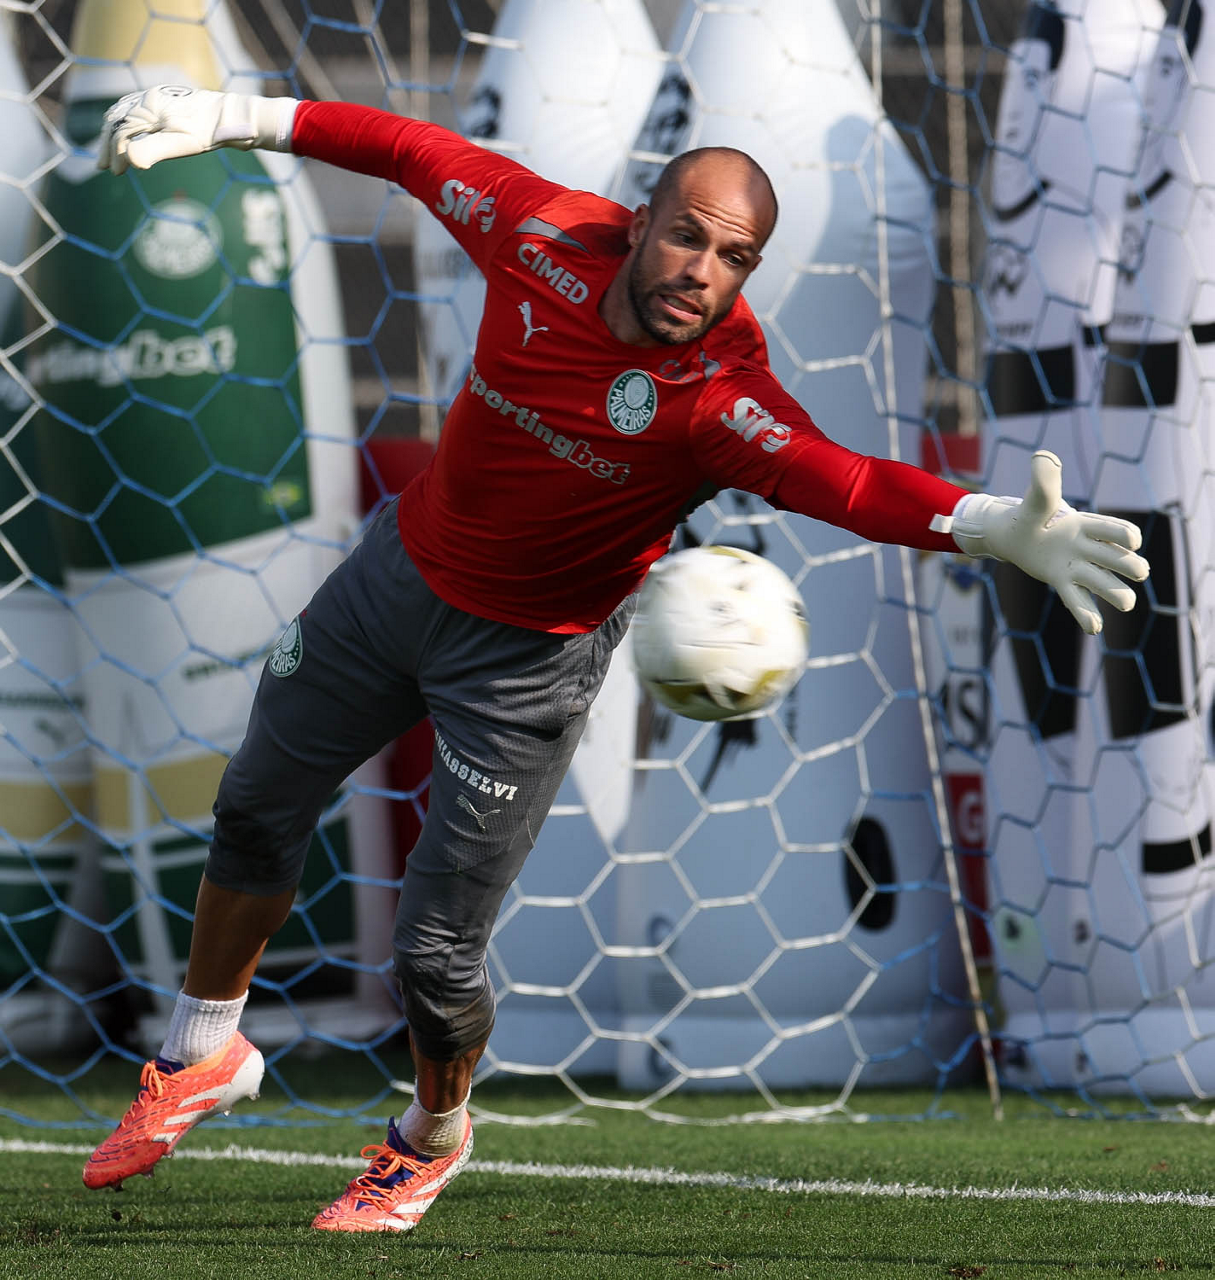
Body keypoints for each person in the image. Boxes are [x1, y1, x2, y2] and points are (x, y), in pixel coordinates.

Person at [83, 84, 1150, 1234]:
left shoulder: (719, 397)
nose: (703, 271)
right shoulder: (537, 229)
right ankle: (199, 1052)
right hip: (395, 581)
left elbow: (845, 480)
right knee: (253, 804)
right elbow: (406, 147)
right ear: (639, 220)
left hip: (523, 669)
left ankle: (428, 1137)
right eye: (688, 235)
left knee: (435, 955)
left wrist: (991, 523)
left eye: (734, 258)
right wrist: (230, 115)